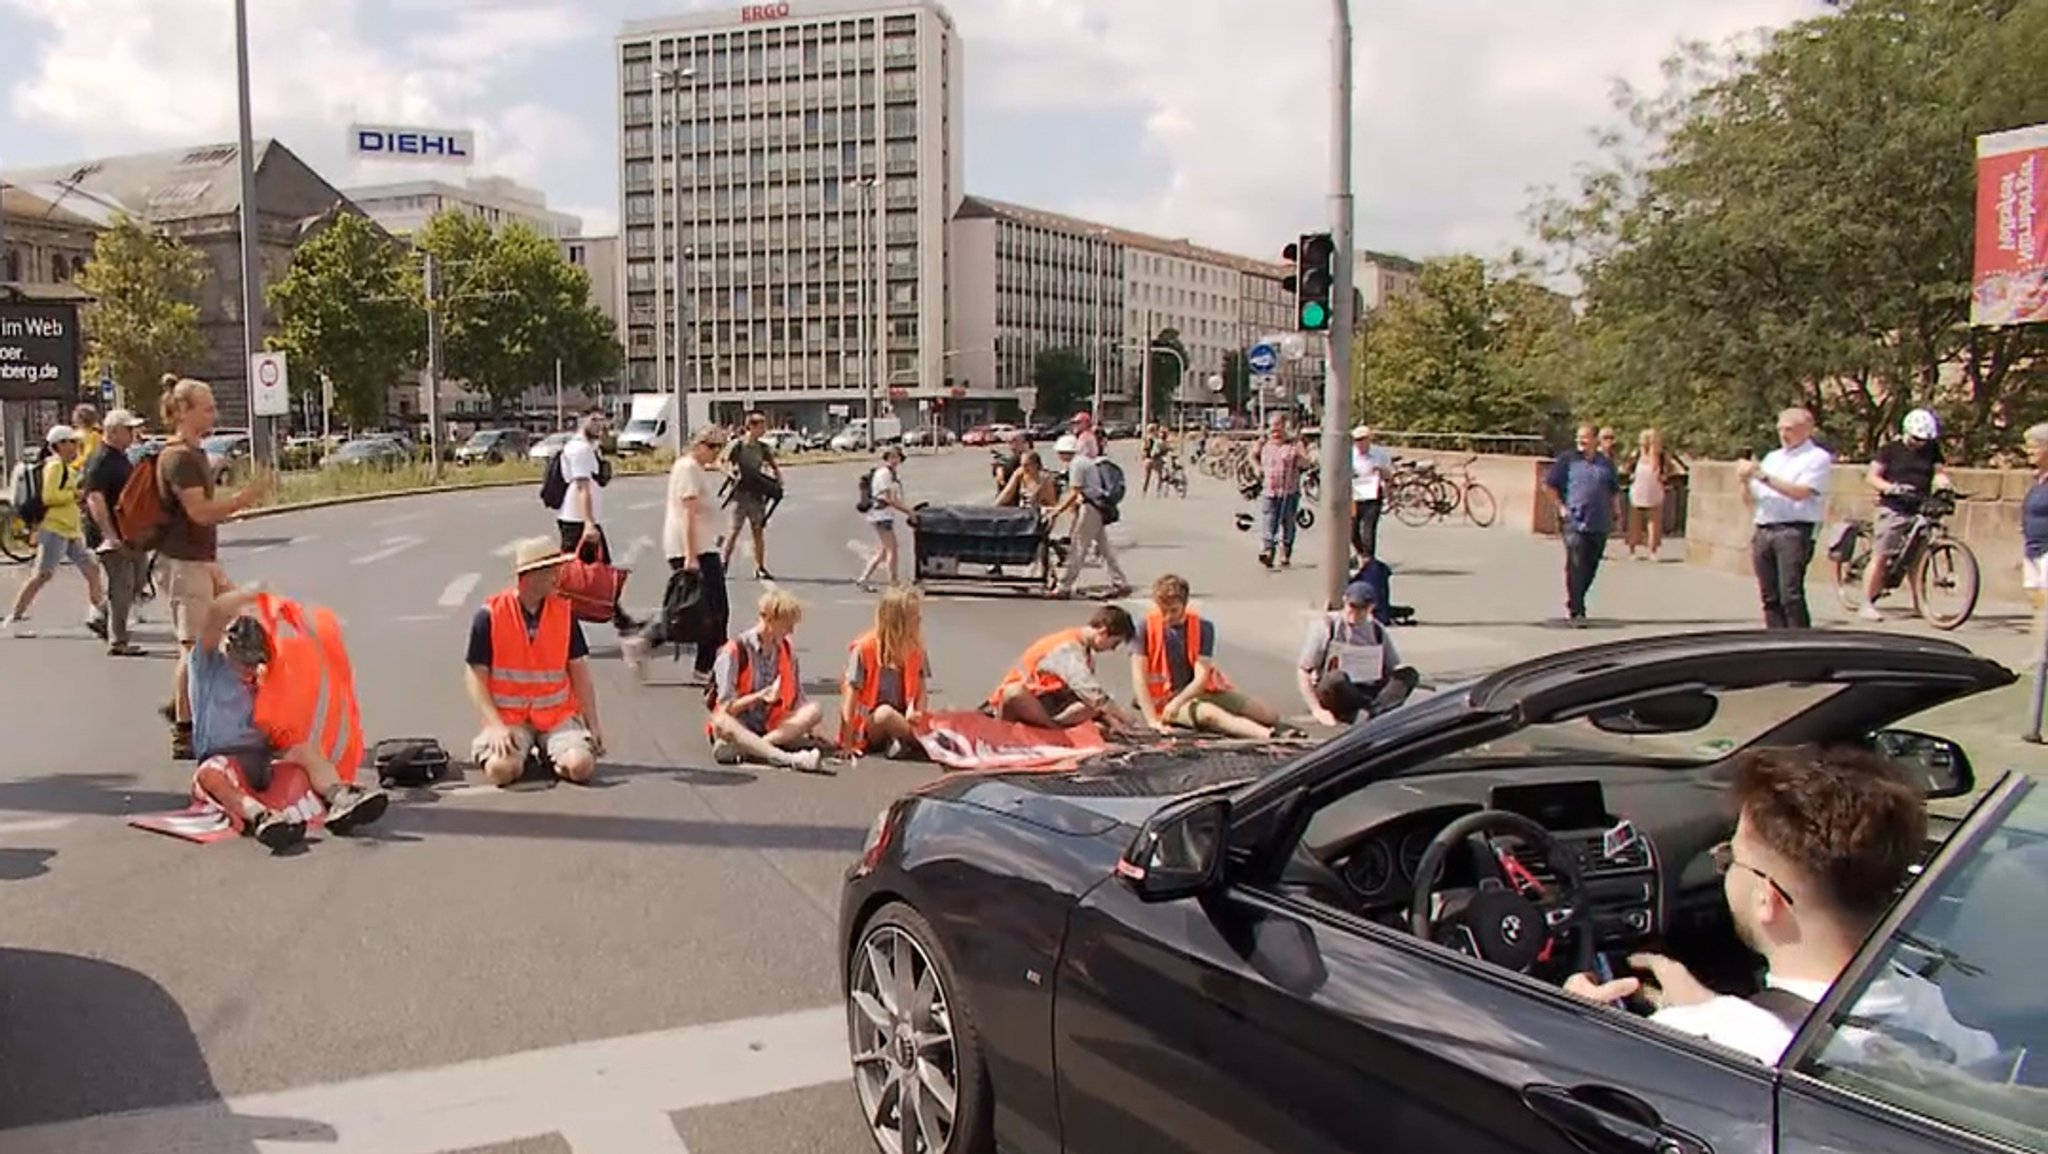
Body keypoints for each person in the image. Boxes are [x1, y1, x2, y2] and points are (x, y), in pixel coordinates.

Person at [1565, 745, 1996, 1067]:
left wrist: (1577, 1021)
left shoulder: (1696, 1045)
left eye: (1730, 858)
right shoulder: (1951, 1024)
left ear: (1766, 899)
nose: (1725, 869)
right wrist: (1710, 1006)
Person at [187, 583, 389, 851]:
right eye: (244, 663)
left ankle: (340, 796)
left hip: (264, 756)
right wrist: (251, 594)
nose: (250, 670)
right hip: (224, 758)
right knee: (211, 774)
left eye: (255, 662)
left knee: (306, 750)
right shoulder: (208, 665)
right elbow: (215, 612)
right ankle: (260, 816)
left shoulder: (263, 674)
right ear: (228, 649)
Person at [157, 376, 271, 760]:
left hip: (200, 559)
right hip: (183, 562)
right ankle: (184, 729)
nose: (214, 414)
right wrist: (245, 498)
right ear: (184, 412)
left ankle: (185, 706)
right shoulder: (178, 458)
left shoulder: (195, 453)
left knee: (236, 625)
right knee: (194, 647)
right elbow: (199, 512)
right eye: (206, 408)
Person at [463, 538, 605, 786]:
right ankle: (523, 755)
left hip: (556, 715)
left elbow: (580, 672)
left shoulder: (564, 614)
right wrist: (496, 725)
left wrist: (593, 724)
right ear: (530, 576)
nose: (557, 578)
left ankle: (552, 756)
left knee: (581, 766)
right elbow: (475, 676)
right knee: (500, 771)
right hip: (510, 717)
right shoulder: (490, 615)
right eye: (552, 571)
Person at [622, 425, 729, 681]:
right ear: (701, 445)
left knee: (701, 609)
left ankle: (704, 666)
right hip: (693, 549)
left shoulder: (694, 468)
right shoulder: (689, 468)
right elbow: (688, 514)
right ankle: (651, 643)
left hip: (700, 546)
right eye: (714, 448)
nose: (716, 455)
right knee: (708, 610)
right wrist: (691, 556)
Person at [1130, 574, 1282, 738]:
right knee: (1211, 715)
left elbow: (1201, 678)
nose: (1168, 617)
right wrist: (1153, 720)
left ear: (1185, 604)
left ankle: (1264, 725)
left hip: (1193, 691)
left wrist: (1179, 701)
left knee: (1269, 715)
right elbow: (1139, 678)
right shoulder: (1144, 627)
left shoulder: (1204, 627)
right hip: (1162, 697)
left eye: (1173, 610)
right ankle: (1265, 735)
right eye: (1163, 610)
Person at [706, 588, 829, 772]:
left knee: (814, 710)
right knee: (721, 720)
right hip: (739, 722)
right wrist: (760, 697)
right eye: (787, 625)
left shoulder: (786, 650)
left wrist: (813, 728)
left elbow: (798, 698)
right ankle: (789, 759)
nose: (791, 631)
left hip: (770, 724)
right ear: (769, 619)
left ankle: (755, 748)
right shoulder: (734, 650)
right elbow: (726, 707)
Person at [2, 425, 109, 636]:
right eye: (71, 442)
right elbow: (49, 497)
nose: (75, 447)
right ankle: (14, 616)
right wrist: (75, 495)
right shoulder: (55, 467)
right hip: (55, 529)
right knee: (42, 575)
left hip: (70, 530)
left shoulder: (66, 468)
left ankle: (99, 615)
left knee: (92, 571)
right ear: (59, 445)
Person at [1740, 407, 1832, 629]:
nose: (1783, 434)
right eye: (1780, 429)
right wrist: (1744, 481)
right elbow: (1751, 500)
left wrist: (1762, 476)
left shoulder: (1816, 458)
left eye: (1789, 429)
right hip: (1765, 527)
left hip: (1793, 529)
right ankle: (1775, 638)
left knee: (1790, 594)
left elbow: (1801, 492)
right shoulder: (1773, 458)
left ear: (1806, 429)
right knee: (1769, 595)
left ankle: (1800, 639)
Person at [1858, 408, 1952, 621]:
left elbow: (1938, 472)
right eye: (1916, 439)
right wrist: (1890, 488)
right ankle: (1866, 603)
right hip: (1894, 507)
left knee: (1918, 559)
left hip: (1919, 506)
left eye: (1924, 440)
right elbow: (1872, 476)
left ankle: (1920, 604)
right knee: (1881, 555)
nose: (1920, 443)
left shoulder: (1932, 449)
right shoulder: (1890, 450)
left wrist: (1944, 483)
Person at [988, 604, 1143, 732]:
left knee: (1094, 710)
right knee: (1014, 692)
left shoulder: (1085, 651)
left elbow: (1086, 699)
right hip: (1023, 700)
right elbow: (1091, 693)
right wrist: (1124, 718)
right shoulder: (1068, 648)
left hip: (1049, 700)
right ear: (1103, 633)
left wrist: (1112, 721)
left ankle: (1053, 726)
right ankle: (1053, 729)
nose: (1113, 649)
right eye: (1114, 643)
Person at [1298, 580, 1419, 726]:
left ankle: (1374, 711)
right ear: (1345, 601)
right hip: (1337, 688)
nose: (1355, 613)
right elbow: (1304, 669)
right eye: (1352, 607)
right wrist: (1316, 710)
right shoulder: (1328, 625)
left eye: (1362, 609)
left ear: (1371, 608)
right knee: (1337, 678)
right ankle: (1370, 712)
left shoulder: (1376, 630)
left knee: (1408, 674)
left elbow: (1392, 667)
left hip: (1368, 687)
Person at [79, 408, 150, 656]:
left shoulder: (121, 457)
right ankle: (118, 640)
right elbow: (95, 499)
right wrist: (109, 535)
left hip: (128, 532)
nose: (133, 434)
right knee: (122, 584)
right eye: (129, 429)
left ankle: (102, 615)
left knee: (139, 578)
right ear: (114, 431)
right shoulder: (100, 460)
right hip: (109, 534)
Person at [839, 585, 932, 759]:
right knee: (885, 713)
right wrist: (848, 742)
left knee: (948, 713)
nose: (920, 619)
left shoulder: (916, 649)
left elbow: (922, 690)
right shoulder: (864, 649)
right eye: (914, 616)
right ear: (897, 622)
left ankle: (901, 741)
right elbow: (850, 700)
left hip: (905, 718)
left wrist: (918, 711)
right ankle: (928, 743)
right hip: (870, 724)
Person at [1545, 424, 1620, 625]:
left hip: (1599, 521)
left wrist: (1616, 511)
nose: (1581, 441)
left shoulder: (1606, 464)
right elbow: (1549, 486)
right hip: (1574, 521)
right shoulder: (1567, 461)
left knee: (1590, 565)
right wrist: (1561, 508)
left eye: (1585, 437)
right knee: (1575, 561)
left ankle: (1576, 597)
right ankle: (1578, 609)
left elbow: (1613, 490)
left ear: (1595, 440)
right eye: (1579, 437)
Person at [1048, 433, 1131, 600]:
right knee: (1104, 548)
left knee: (1078, 547)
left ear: (1065, 452)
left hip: (1090, 507)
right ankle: (1120, 582)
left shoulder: (1077, 465)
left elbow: (1075, 492)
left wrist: (1058, 510)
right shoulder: (1084, 461)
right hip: (1097, 506)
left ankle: (1064, 586)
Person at [723, 411, 782, 580]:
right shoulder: (737, 445)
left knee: (758, 531)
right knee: (734, 531)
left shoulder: (763, 447)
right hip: (739, 495)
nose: (763, 429)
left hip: (756, 494)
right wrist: (731, 472)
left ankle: (760, 567)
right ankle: (724, 563)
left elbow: (773, 465)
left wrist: (778, 481)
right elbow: (722, 462)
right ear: (751, 426)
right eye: (761, 425)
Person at [1255, 414, 1312, 568]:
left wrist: (1299, 455)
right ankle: (1268, 551)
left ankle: (1285, 552)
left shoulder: (1293, 445)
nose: (1274, 429)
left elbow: (1306, 464)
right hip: (1269, 490)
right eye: (1271, 425)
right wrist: (1257, 468)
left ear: (1284, 426)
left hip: (1289, 491)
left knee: (1288, 523)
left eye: (1277, 425)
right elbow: (1252, 456)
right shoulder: (1264, 444)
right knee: (1269, 520)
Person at [856, 446, 913, 592]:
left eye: (897, 457)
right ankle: (893, 583)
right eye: (891, 457)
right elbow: (890, 499)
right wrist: (909, 512)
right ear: (886, 458)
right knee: (892, 549)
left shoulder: (890, 473)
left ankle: (863, 579)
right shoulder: (884, 474)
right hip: (881, 516)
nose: (895, 460)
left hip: (882, 515)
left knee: (882, 551)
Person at [1624, 428, 1680, 560]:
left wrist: (1664, 476)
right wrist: (1630, 475)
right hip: (1638, 492)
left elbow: (1674, 469)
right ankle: (1633, 549)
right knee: (1634, 523)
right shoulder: (1636, 454)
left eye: (1648, 440)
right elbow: (1626, 467)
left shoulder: (1661, 457)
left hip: (1653, 492)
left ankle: (1653, 550)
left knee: (1653, 523)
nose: (1645, 443)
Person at [1349, 425, 1392, 561]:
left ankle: (1369, 558)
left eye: (1362, 439)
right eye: (1356, 440)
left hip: (1373, 492)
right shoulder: (1350, 454)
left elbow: (1389, 475)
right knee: (1352, 529)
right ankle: (1361, 552)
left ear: (1369, 439)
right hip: (1354, 494)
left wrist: (1381, 471)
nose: (1359, 443)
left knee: (1368, 527)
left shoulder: (1379, 453)